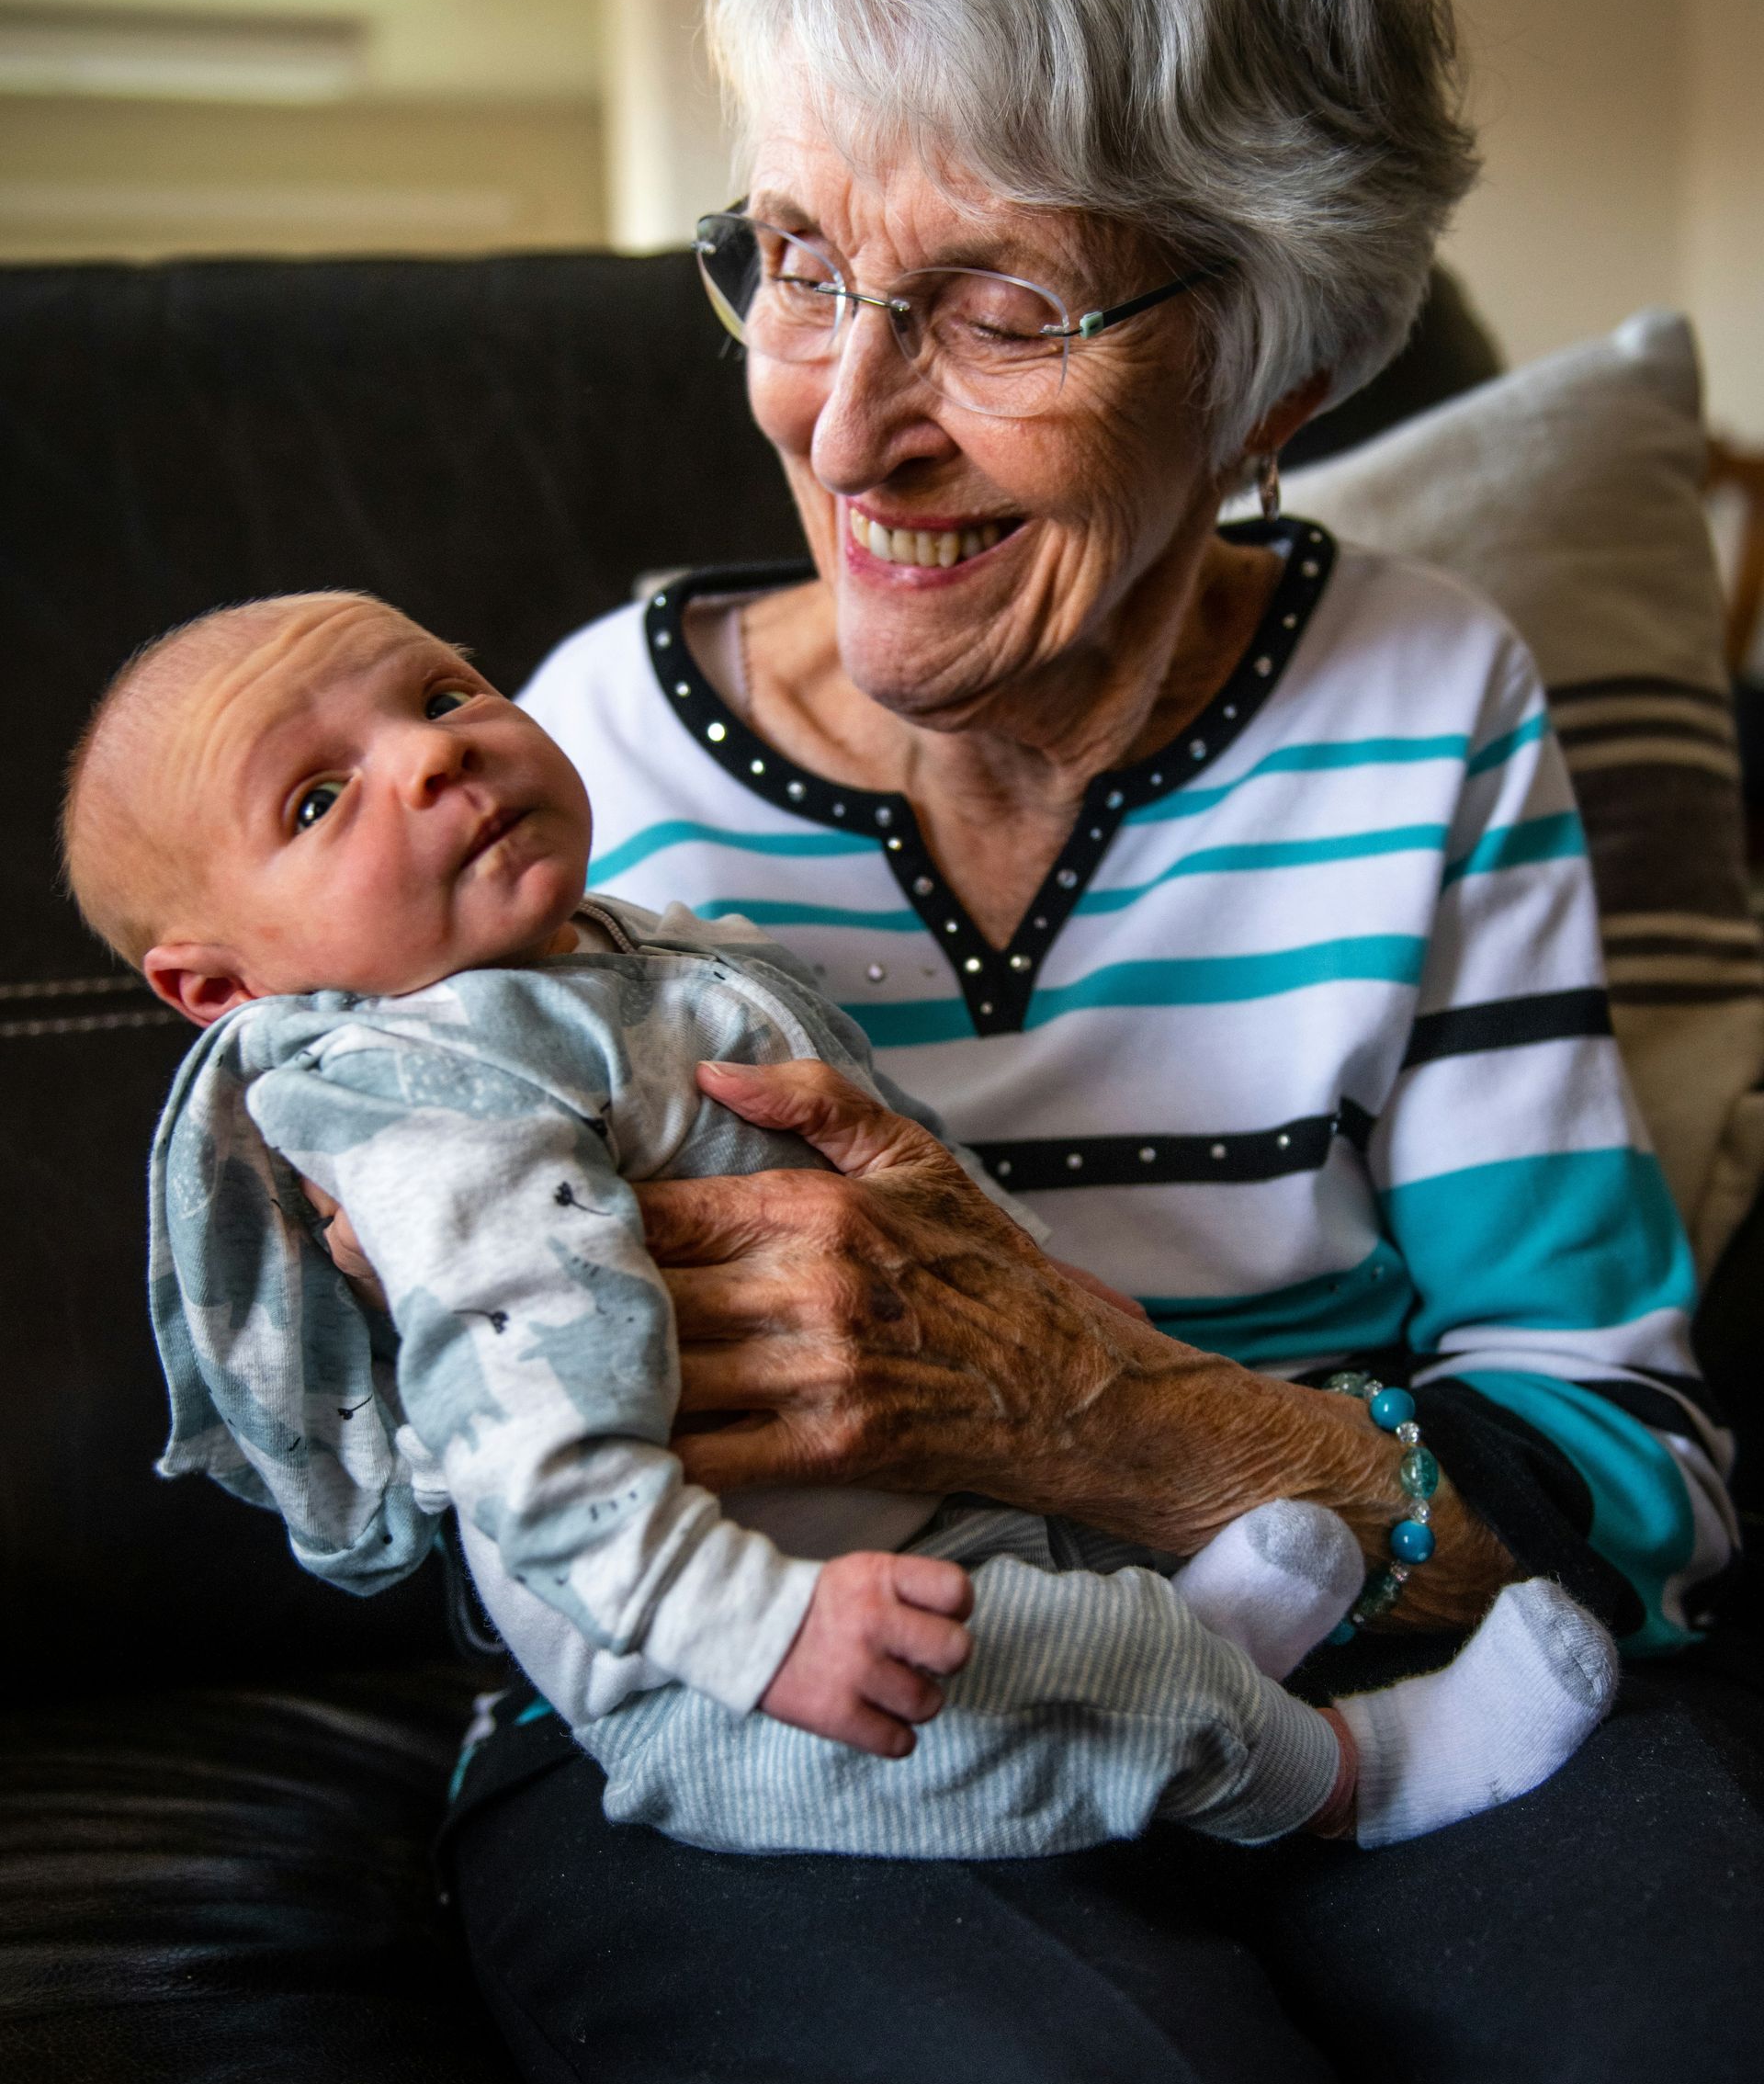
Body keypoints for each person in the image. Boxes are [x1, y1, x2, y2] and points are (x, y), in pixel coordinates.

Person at [422, 0, 1761, 2084]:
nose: (842, 410)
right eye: (797, 260)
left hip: (1374, 1634)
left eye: (998, 304)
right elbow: (505, 1480)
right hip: (790, 1684)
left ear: (1265, 368)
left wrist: (1101, 1418)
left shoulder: (1421, 698)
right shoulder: (577, 771)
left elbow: (1628, 1460)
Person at [63, 585, 1615, 1863]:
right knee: (1018, 1702)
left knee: (1057, 1630)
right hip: (735, 1684)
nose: (434, 760)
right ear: (220, 989)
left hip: (917, 1531)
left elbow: (892, 1165)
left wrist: (1069, 1313)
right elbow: (531, 1440)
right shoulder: (428, 1104)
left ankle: (1195, 1652)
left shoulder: (627, 958)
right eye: (321, 798)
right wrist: (759, 1631)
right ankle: (1336, 1776)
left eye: (446, 691)